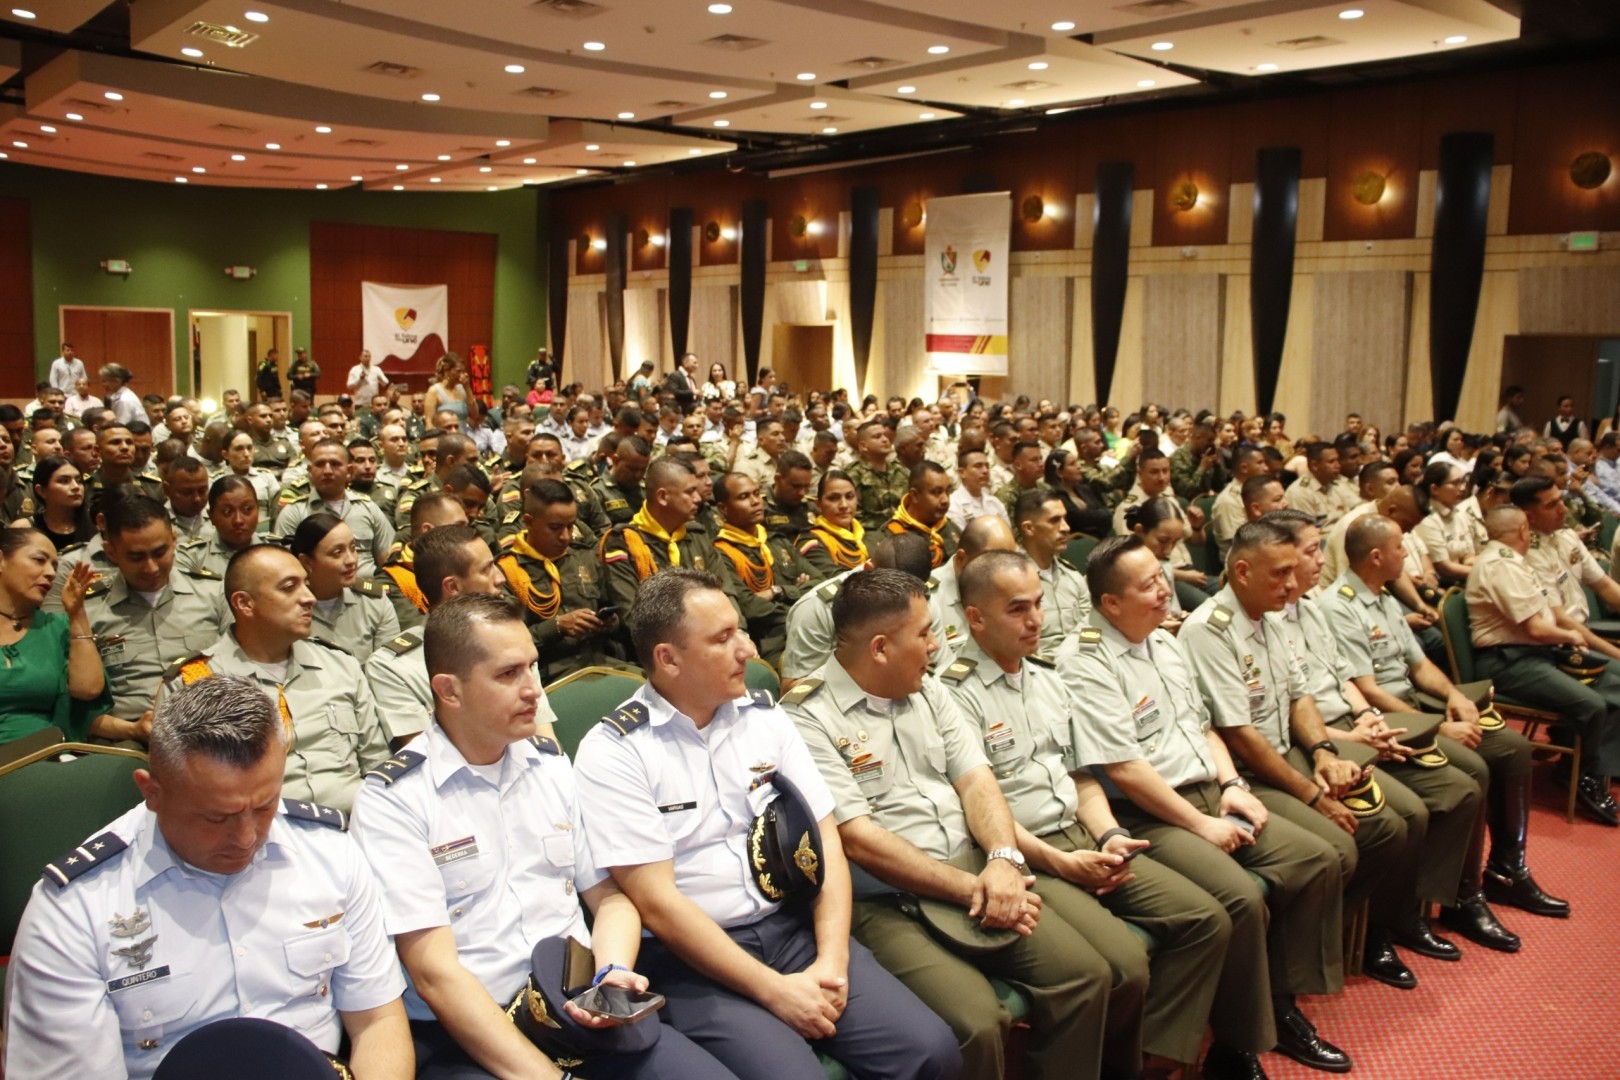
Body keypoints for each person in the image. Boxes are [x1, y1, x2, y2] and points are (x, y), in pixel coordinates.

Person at [574, 569, 961, 1080]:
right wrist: (775, 990)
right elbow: (658, 904)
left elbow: (826, 840)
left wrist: (830, 960)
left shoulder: (765, 716)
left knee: (932, 1050)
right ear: (668, 658)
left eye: (740, 630)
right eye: (722, 638)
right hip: (695, 961)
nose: (747, 649)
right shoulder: (615, 751)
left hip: (793, 929)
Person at [353, 591, 734, 1079]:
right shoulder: (394, 799)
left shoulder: (551, 766)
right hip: (473, 1036)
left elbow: (609, 896)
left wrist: (610, 972)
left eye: (533, 667)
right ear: (449, 691)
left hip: (579, 1006)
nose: (535, 688)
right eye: (509, 674)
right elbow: (435, 975)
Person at [785, 568, 1116, 1080]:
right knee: (976, 1025)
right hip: (885, 901)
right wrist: (974, 888)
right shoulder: (805, 718)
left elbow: (978, 781)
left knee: (1085, 975)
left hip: (977, 873)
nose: (937, 646)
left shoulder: (928, 690)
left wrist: (1004, 861)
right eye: (924, 634)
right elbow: (859, 840)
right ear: (879, 648)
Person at [2, 675, 413, 1079]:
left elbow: (378, 1022)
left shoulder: (329, 853)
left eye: (265, 806)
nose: (247, 837)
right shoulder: (75, 910)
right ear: (152, 792)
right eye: (217, 817)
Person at [945, 549, 1258, 1077]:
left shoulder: (1044, 677)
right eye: (1018, 609)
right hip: (1020, 853)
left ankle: (1149, 1061)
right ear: (975, 617)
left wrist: (1109, 834)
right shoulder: (953, 694)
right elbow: (981, 808)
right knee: (1123, 966)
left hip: (1079, 835)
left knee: (1207, 919)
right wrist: (1062, 861)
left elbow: (1082, 777)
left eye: (1040, 604)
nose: (1037, 619)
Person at [1057, 535, 1352, 1075]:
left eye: (1162, 576)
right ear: (1110, 605)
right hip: (1149, 813)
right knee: (1240, 900)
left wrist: (1234, 784)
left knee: (1316, 859)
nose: (1165, 589)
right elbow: (1124, 769)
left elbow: (1204, 728)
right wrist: (1201, 823)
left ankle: (1278, 1007)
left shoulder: (1163, 643)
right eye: (1148, 585)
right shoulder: (1086, 660)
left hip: (1209, 790)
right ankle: (1233, 1046)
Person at [1180, 518, 1434, 988]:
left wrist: (1322, 752)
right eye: (1279, 573)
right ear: (1241, 572)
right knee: (1334, 849)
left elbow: (1301, 697)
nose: (1292, 584)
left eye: (1293, 571)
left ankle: (1329, 930)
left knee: (1391, 826)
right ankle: (1285, 982)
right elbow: (1239, 735)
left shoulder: (1273, 617)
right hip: (1243, 773)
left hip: (1290, 751)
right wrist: (1313, 794)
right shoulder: (1209, 631)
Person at [1317, 513, 1558, 946]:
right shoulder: (1339, 605)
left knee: (1514, 748)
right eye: (1399, 549)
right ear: (1376, 556)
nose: (1406, 555)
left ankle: (1507, 868)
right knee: (1473, 773)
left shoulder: (1385, 597)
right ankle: (1459, 896)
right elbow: (1367, 690)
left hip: (1414, 705)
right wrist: (1436, 730)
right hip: (1386, 714)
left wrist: (1453, 698)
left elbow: (1420, 665)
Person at [156, 544, 390, 813]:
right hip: (259, 836)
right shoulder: (195, 683)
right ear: (245, 603)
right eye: (289, 587)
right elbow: (185, 797)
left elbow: (378, 765)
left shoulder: (340, 665)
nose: (309, 598)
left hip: (355, 823)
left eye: (306, 584)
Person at [1464, 505, 1620, 827]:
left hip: (1534, 654)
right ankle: (1583, 778)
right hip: (1507, 662)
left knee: (1612, 682)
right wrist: (1570, 635)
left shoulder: (1515, 562)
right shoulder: (1501, 565)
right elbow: (1536, 628)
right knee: (1592, 704)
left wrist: (1565, 636)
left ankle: (1574, 762)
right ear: (1524, 530)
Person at [82, 495, 230, 747]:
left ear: (174, 540)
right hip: (131, 737)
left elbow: (246, 669)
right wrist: (131, 730)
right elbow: (79, 707)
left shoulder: (213, 592)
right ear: (111, 552)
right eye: (137, 557)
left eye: (160, 552)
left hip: (211, 726)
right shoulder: (89, 609)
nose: (151, 568)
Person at [500, 476, 628, 683]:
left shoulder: (585, 558)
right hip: (551, 677)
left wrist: (607, 623)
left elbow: (619, 615)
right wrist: (557, 627)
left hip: (603, 664)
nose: (566, 536)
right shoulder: (506, 572)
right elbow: (506, 644)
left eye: (571, 526)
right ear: (529, 522)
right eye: (555, 527)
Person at [0, 526, 105, 744]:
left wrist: (77, 613)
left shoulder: (57, 627)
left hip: (43, 754)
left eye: (55, 565)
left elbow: (88, 689)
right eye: (39, 560)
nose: (50, 572)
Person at [274, 439, 397, 577]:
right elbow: (284, 569)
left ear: (349, 471)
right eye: (320, 464)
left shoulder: (368, 508)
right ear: (310, 471)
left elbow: (387, 561)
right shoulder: (294, 513)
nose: (327, 470)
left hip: (367, 593)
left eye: (335, 464)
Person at [289, 512, 400, 664]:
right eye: (337, 553)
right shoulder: (287, 608)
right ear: (307, 562)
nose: (351, 560)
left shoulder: (374, 601)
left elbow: (389, 668)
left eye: (353, 548)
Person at [1013, 490, 1090, 655]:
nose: (1066, 528)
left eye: (1065, 519)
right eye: (1055, 521)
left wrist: (1088, 660)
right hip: (1036, 671)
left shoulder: (1073, 576)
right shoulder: (1012, 580)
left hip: (1080, 665)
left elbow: (1092, 628)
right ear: (1029, 528)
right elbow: (1011, 644)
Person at [176, 475, 276, 579]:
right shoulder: (191, 557)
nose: (238, 520)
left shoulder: (277, 550)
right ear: (211, 516)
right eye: (227, 512)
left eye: (247, 509)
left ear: (258, 510)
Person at [884, 461, 960, 570]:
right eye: (936, 492)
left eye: (947, 491)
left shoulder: (951, 527)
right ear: (915, 495)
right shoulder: (892, 535)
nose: (945, 500)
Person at [796, 471, 868, 582]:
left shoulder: (869, 536)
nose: (844, 505)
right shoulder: (811, 542)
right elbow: (838, 581)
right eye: (833, 498)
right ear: (818, 504)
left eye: (849, 497)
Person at [28, 455, 96, 552]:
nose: (76, 487)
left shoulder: (97, 524)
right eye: (64, 481)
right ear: (41, 491)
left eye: (79, 480)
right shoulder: (26, 528)